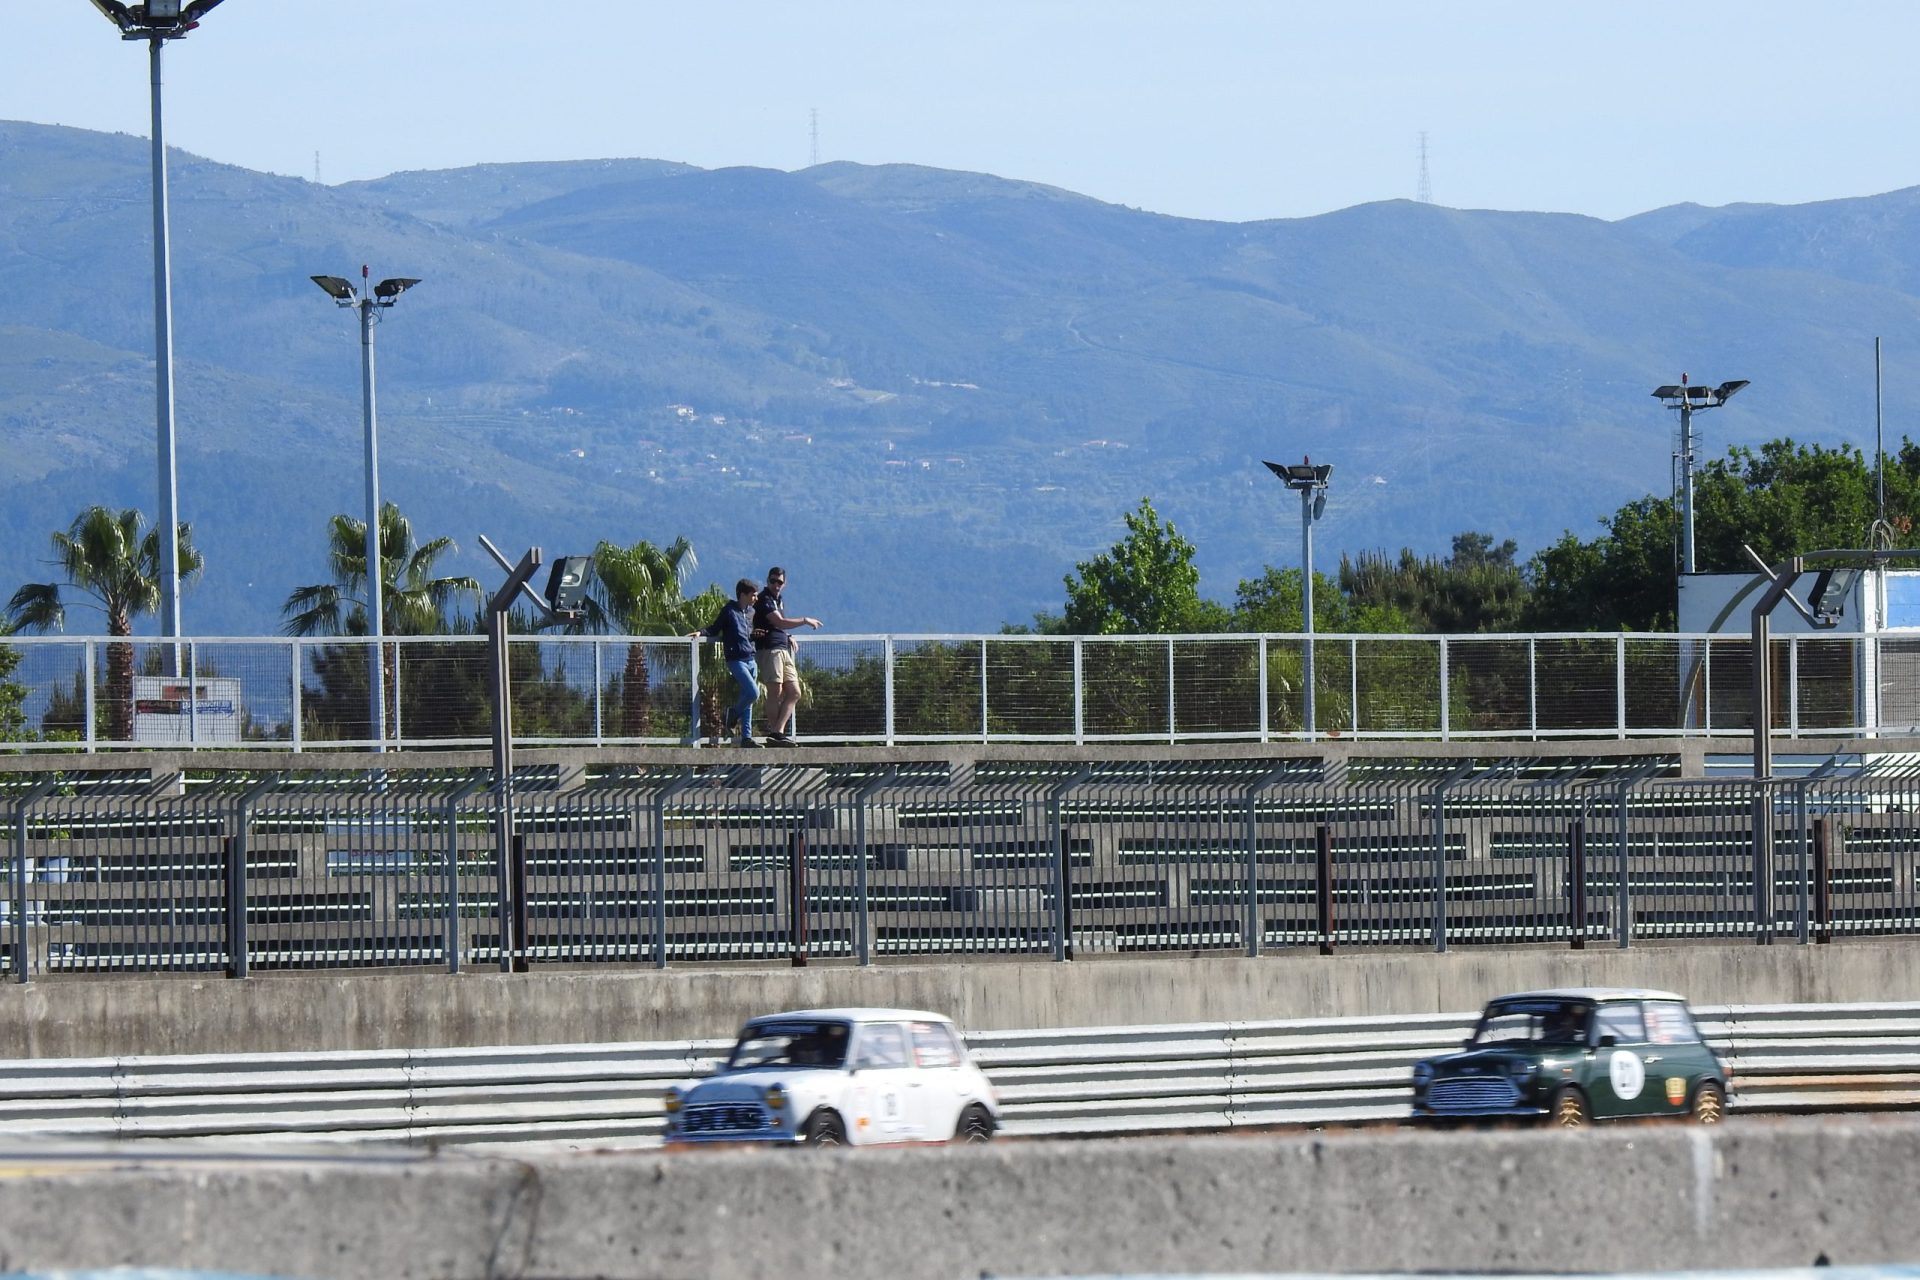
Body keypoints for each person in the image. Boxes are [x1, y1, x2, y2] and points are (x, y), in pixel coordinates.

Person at [687, 578, 763, 747]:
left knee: (748, 699)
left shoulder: (751, 612)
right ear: (742, 594)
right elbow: (715, 628)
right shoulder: (729, 610)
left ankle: (746, 737)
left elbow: (747, 633)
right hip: (736, 660)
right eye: (753, 595)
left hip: (751, 658)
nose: (755, 598)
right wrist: (701, 633)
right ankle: (732, 713)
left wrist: (755, 636)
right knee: (753, 693)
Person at [752, 566, 822, 746]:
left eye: (779, 582)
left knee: (794, 692)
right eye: (773, 581)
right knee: (775, 691)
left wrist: (788, 636)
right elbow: (779, 622)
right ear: (767, 581)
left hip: (782, 647)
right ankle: (775, 733)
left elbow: (779, 626)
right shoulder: (764, 599)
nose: (776, 585)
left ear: (785, 583)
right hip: (770, 649)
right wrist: (805, 620)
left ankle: (777, 731)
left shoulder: (778, 600)